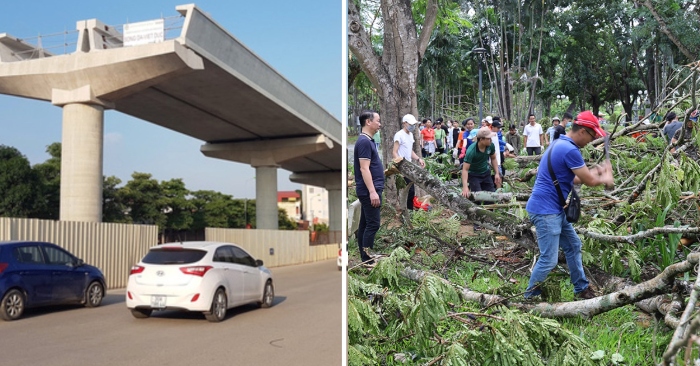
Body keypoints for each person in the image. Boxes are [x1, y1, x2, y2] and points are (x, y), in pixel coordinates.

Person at [524, 110, 614, 300]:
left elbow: (572, 178)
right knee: (549, 259)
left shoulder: (559, 143)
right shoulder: (570, 149)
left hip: (554, 208)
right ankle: (529, 298)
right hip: (546, 211)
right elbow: (588, 181)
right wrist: (604, 176)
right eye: (591, 136)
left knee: (573, 245)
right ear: (582, 131)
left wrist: (597, 171)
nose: (591, 141)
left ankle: (581, 288)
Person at [354, 110, 384, 265]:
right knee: (373, 224)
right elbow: (364, 169)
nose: (380, 124)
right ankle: (367, 259)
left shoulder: (368, 140)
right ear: (368, 122)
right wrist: (372, 192)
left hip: (370, 189)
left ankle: (365, 258)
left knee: (365, 224)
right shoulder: (364, 142)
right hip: (369, 191)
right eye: (378, 121)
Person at [392, 114, 426, 210]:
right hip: (402, 166)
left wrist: (419, 159)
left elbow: (409, 151)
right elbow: (394, 152)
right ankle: (406, 211)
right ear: (404, 123)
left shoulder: (410, 135)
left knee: (411, 190)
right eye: (411, 124)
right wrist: (400, 167)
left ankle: (409, 210)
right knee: (408, 190)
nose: (413, 126)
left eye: (414, 124)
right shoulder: (399, 135)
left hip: (409, 166)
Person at [461, 127, 502, 198]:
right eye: (488, 138)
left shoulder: (490, 146)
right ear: (481, 139)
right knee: (478, 197)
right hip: (474, 175)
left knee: (491, 196)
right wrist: (465, 187)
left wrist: (497, 173)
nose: (491, 140)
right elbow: (465, 169)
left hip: (486, 173)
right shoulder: (471, 151)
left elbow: (493, 158)